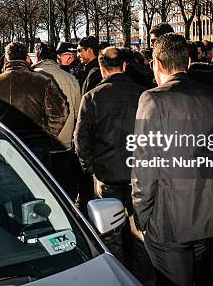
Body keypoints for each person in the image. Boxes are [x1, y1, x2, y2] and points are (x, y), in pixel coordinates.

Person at [131, 33, 213, 286]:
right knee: (201, 277)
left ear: (156, 63)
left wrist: (142, 214)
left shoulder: (153, 99)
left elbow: (145, 165)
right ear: (188, 62)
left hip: (171, 216)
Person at [74, 47, 146, 269]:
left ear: (102, 69)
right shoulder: (144, 94)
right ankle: (143, 275)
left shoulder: (93, 97)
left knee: (110, 230)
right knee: (141, 229)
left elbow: (81, 140)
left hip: (106, 174)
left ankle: (117, 272)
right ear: (124, 66)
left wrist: (91, 169)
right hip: (139, 174)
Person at [0, 42, 68, 167]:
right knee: (38, 184)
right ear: (26, 58)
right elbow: (60, 113)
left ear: (6, 59)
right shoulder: (43, 81)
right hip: (36, 147)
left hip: (4, 146)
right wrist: (45, 136)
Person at [33, 42, 82, 199]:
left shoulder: (29, 77)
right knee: (65, 188)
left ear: (38, 56)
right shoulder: (70, 78)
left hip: (37, 144)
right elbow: (77, 112)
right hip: (64, 143)